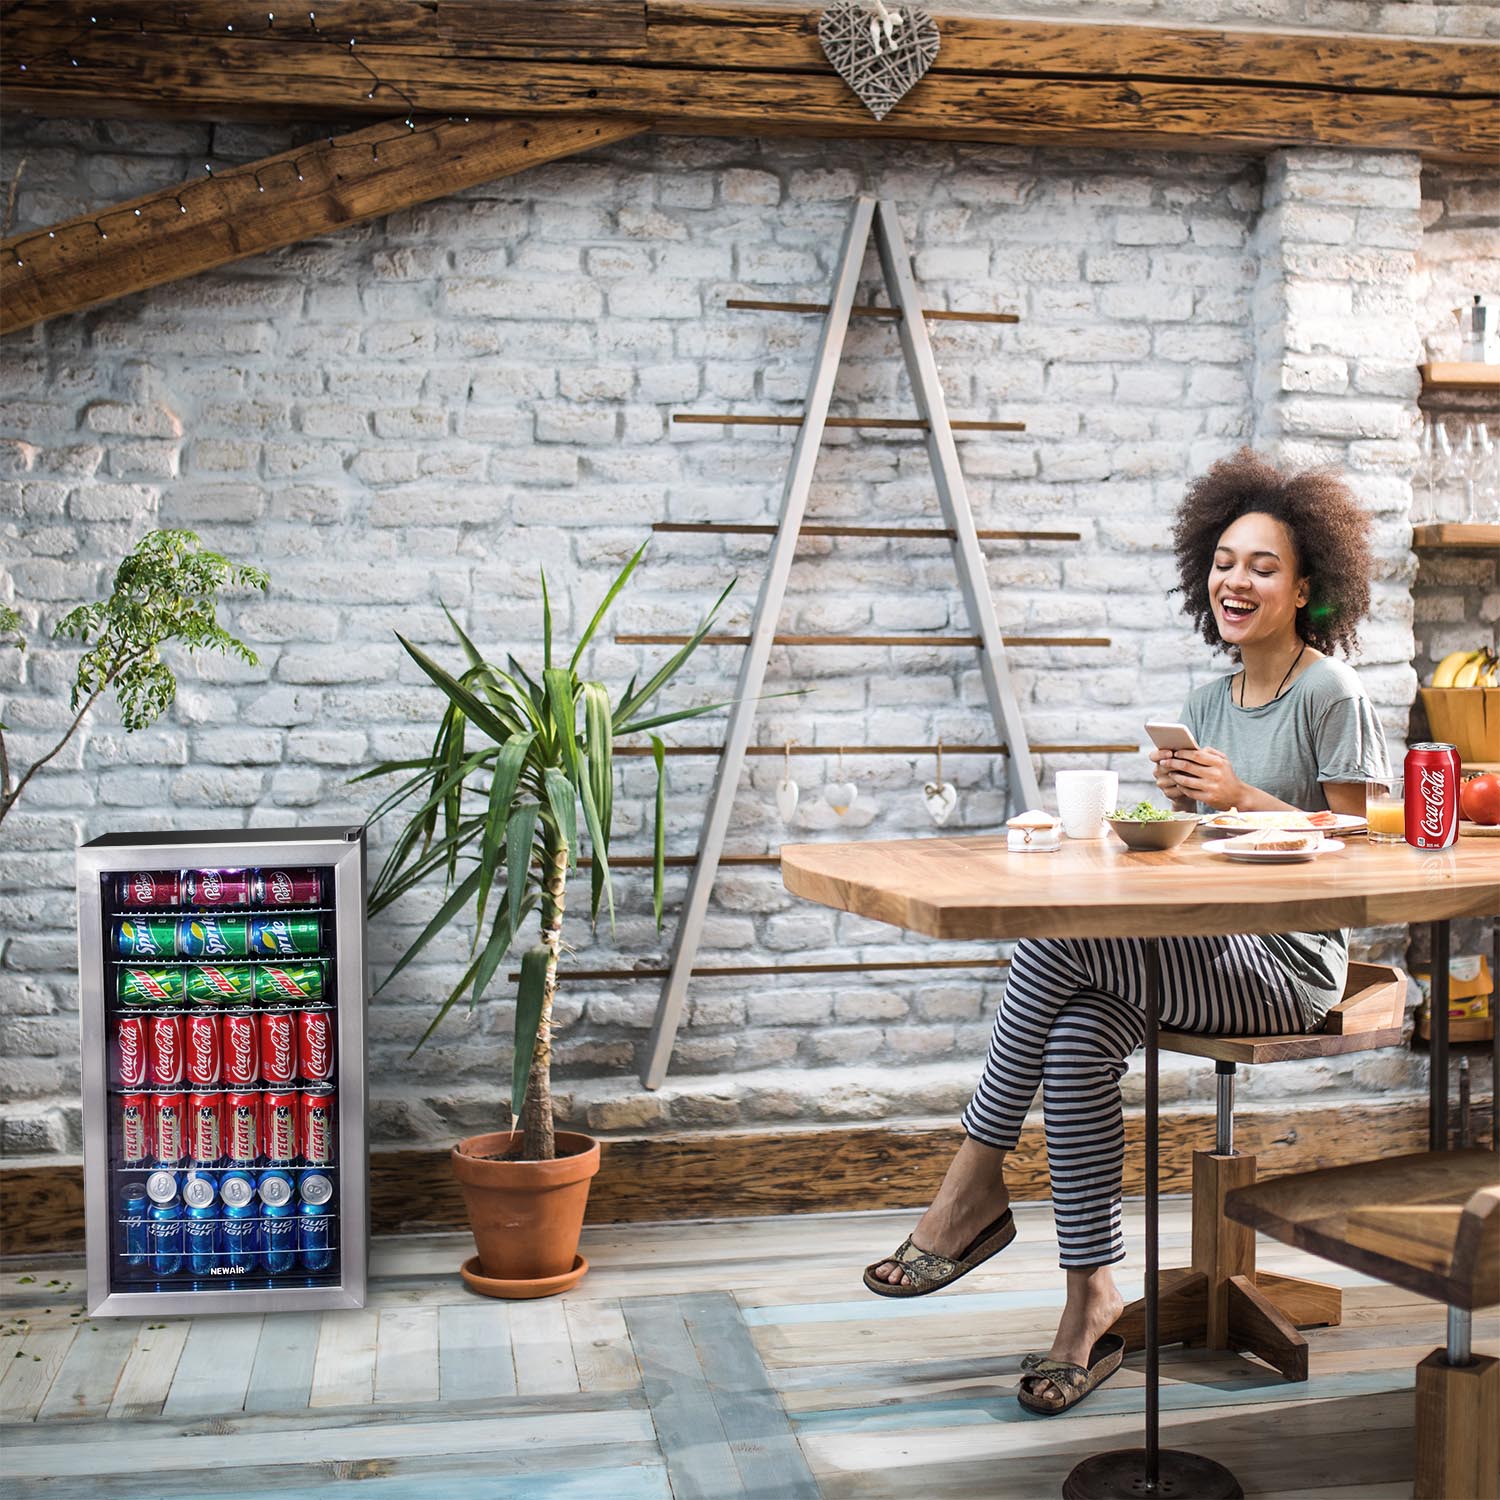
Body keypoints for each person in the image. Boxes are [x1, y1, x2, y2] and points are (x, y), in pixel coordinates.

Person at [863, 447, 1393, 1415]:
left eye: (1264, 566)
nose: (1237, 580)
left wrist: (1242, 796)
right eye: (1226, 562)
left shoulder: (1333, 696)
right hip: (1204, 949)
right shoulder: (1201, 704)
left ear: (1309, 585)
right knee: (1074, 1039)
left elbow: (1364, 858)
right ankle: (1091, 1302)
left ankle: (970, 1189)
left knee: (1053, 940)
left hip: (1288, 967)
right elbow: (1194, 860)